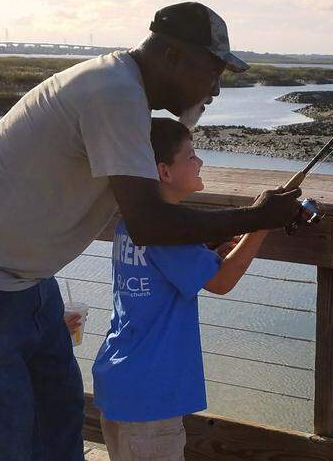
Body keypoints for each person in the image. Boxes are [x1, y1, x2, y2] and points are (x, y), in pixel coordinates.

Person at [0, 2, 302, 461]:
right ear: (172, 57)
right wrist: (257, 216)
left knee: (57, 420)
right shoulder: (113, 93)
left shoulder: (125, 93)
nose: (215, 87)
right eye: (211, 72)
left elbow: (150, 186)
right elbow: (151, 222)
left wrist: (208, 225)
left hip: (24, 280)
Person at [93, 118, 267, 461]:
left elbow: (166, 271)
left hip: (123, 381)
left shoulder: (133, 221)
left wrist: (206, 254)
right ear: (164, 172)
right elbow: (222, 282)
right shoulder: (167, 232)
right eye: (190, 155)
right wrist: (262, 223)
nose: (199, 161)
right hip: (151, 397)